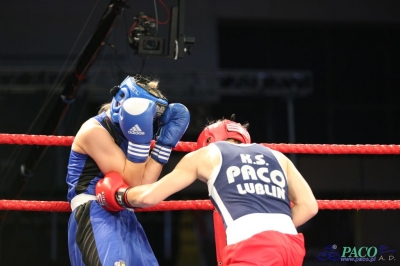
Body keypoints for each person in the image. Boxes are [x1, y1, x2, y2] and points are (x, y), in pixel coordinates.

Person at [95, 114, 318, 265]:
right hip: (292, 244)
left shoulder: (207, 155)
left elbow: (149, 196)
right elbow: (309, 207)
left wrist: (118, 195)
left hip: (253, 248)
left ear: (209, 141)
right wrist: (273, 229)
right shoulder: (277, 156)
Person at [66, 75, 190, 266]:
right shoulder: (94, 130)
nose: (149, 120)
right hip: (95, 213)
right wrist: (139, 142)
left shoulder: (132, 134)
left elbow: (143, 188)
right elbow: (132, 183)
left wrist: (164, 145)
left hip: (126, 214)